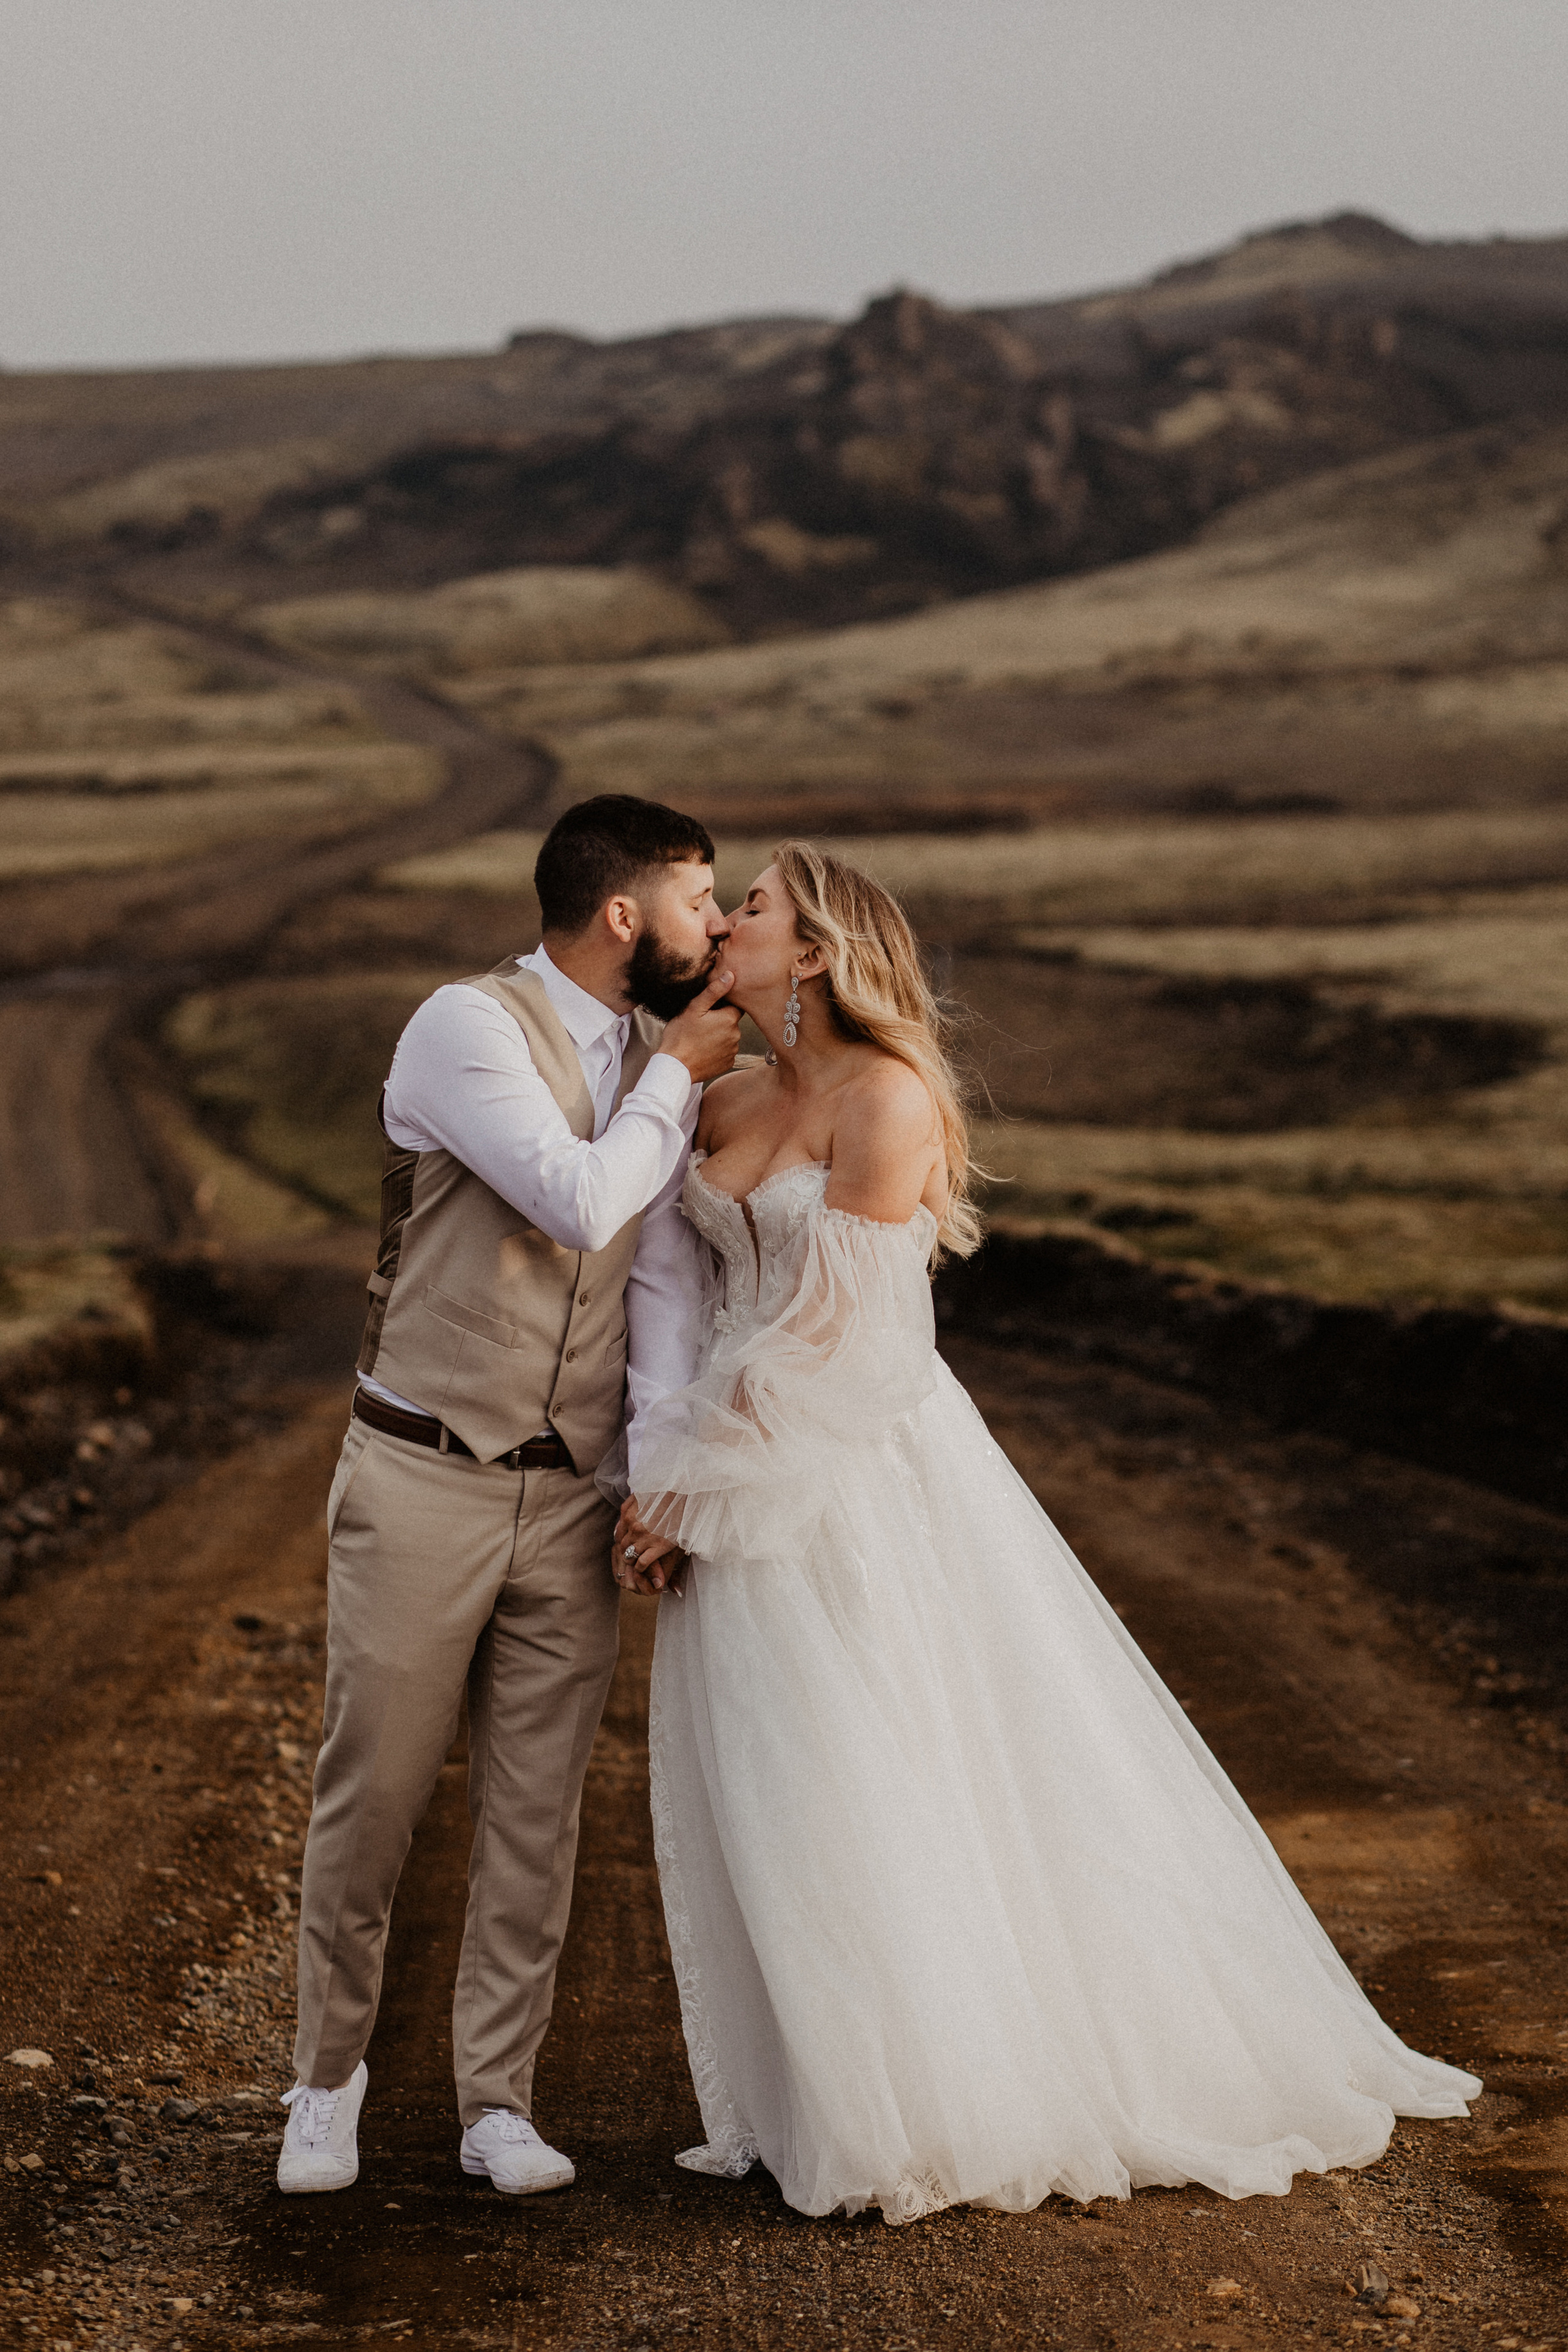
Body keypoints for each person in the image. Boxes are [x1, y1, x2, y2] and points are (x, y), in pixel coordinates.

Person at [613, 842, 1480, 2225]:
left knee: (878, 1758)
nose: (722, 925)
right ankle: (839, 2095)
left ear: (820, 949)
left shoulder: (887, 1099)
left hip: (848, 1473)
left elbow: (844, 1336)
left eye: (752, 910)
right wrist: (662, 1464)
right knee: (778, 1774)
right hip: (734, 1465)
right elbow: (666, 1288)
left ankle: (953, 2101)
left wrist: (691, 1492)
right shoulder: (716, 1098)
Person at [277, 796, 739, 2198]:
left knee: (539, 1816)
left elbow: (655, 1282)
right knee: (376, 1796)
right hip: (425, 1473)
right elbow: (576, 1199)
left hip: (571, 1497)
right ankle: (324, 2089)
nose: (715, 927)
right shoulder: (463, 1026)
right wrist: (678, 1079)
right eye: (698, 898)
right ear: (623, 917)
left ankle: (497, 2105)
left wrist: (651, 1482)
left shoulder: (661, 1065)